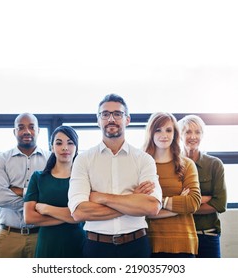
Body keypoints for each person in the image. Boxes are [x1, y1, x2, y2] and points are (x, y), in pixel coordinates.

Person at [68, 93, 162, 258]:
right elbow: (79, 212)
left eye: (117, 114)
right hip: (96, 248)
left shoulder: (144, 160)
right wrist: (133, 199)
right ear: (98, 120)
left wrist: (101, 197)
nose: (111, 119)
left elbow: (151, 206)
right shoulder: (83, 160)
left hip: (136, 246)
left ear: (127, 119)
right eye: (105, 114)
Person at [0, 113, 51, 258]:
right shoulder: (0, 160)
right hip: (9, 237)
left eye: (31, 127)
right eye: (21, 127)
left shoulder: (51, 160)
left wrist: (17, 190)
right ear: (14, 131)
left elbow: (53, 196)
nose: (27, 131)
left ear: (38, 130)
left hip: (41, 237)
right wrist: (36, 201)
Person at [143, 112, 201, 258]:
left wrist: (158, 202)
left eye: (169, 130)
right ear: (151, 133)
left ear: (175, 133)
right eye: (158, 130)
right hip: (149, 243)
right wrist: (177, 207)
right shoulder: (141, 166)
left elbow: (193, 202)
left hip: (183, 243)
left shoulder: (187, 165)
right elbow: (140, 209)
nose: (164, 135)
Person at [24, 125, 86, 258]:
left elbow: (85, 214)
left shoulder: (84, 178)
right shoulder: (38, 177)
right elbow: (29, 217)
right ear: (52, 147)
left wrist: (47, 209)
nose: (65, 147)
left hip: (78, 244)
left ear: (76, 147)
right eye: (59, 143)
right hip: (48, 245)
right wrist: (72, 216)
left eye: (70, 143)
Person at [178, 114, 227, 258]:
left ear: (202, 135)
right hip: (180, 236)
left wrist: (184, 206)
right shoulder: (172, 164)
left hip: (208, 235)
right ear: (180, 135)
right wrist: (204, 199)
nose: (193, 136)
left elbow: (219, 204)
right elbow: (167, 200)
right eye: (188, 132)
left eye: (197, 132)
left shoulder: (214, 164)